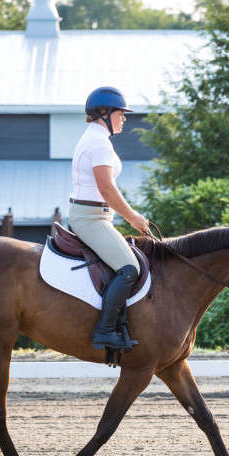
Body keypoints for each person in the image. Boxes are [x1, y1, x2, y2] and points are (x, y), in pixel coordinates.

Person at [69, 86, 150, 350]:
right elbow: (106, 188)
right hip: (90, 218)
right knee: (129, 268)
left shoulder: (98, 139)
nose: (124, 118)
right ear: (104, 113)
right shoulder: (98, 142)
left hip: (98, 216)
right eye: (120, 113)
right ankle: (104, 331)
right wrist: (133, 217)